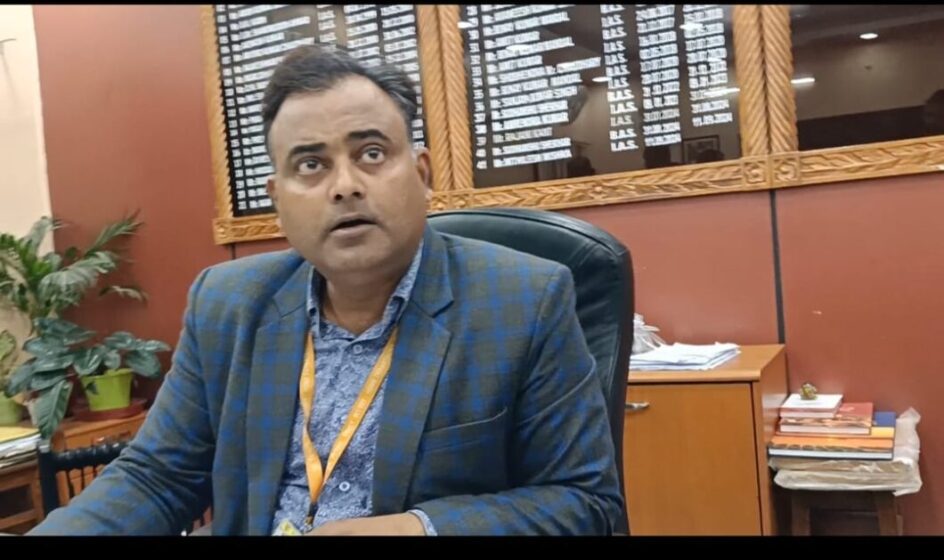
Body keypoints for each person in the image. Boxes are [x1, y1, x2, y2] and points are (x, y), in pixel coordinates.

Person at [31, 45, 623, 536]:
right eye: (311, 165)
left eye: (371, 154)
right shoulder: (228, 302)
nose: (345, 186)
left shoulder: (525, 299)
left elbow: (585, 503)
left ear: (421, 175)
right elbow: (157, 477)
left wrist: (416, 529)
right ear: (278, 200)